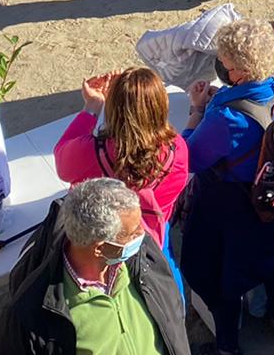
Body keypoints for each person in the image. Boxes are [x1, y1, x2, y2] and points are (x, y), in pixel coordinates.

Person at [178, 20, 274, 355]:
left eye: (225, 63)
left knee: (218, 274)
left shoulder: (226, 116)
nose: (221, 68)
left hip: (235, 206)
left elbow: (190, 159)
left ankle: (227, 349)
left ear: (240, 71)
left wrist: (197, 111)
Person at [0, 176, 198, 355]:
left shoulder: (145, 258)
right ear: (100, 247)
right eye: (133, 232)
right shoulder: (31, 314)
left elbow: (173, 322)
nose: (143, 234)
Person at [53, 67, 189, 246]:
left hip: (98, 243)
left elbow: (62, 161)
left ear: (113, 108)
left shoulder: (93, 151)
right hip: (150, 241)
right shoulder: (177, 148)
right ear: (161, 106)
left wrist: (93, 105)